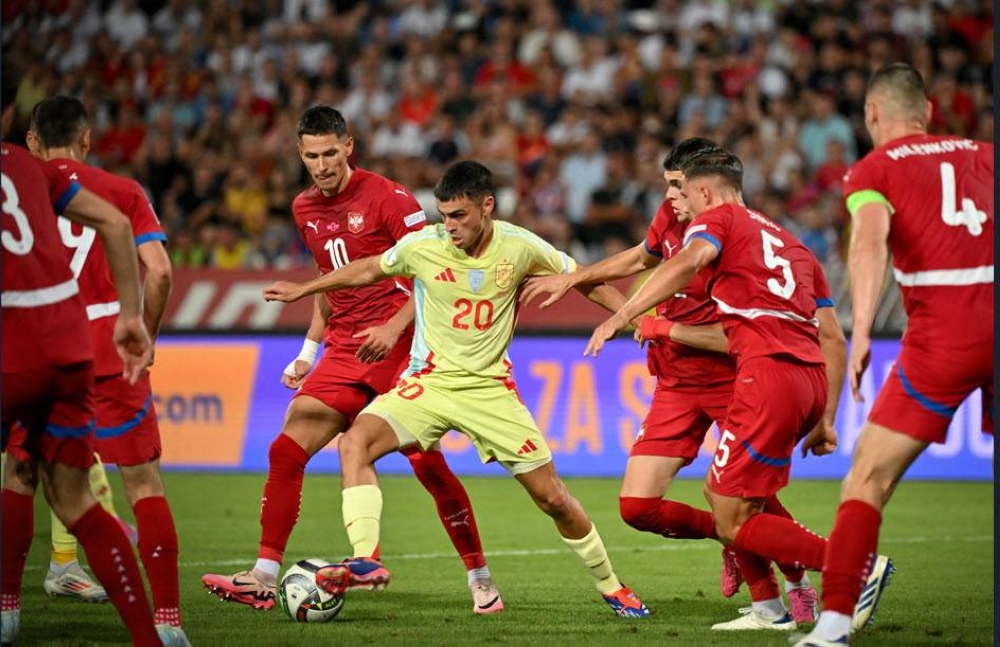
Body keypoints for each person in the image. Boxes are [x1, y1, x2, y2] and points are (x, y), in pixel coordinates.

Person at [262, 160, 651, 618]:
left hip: (490, 391)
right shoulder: (425, 243)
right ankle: (367, 558)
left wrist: (634, 319)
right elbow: (368, 269)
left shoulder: (520, 246)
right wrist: (306, 289)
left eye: (459, 216)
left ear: (487, 206)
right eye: (444, 215)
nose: (450, 226)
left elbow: (586, 279)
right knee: (356, 443)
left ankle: (612, 586)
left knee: (553, 498)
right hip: (429, 383)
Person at [520, 137, 833, 625]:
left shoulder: (730, 234)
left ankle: (781, 593)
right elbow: (638, 259)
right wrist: (574, 277)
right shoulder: (672, 220)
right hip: (676, 381)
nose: (668, 196)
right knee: (637, 505)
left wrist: (654, 322)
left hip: (733, 379)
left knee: (740, 495)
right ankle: (731, 540)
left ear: (701, 187)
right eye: (666, 185)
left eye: (676, 186)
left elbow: (739, 334)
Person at [202, 105, 502, 615]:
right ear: (301, 155)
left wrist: (392, 327)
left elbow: (437, 272)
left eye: (329, 153)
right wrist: (307, 353)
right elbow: (330, 283)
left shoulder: (389, 198)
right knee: (286, 448)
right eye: (311, 156)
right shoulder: (303, 208)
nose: (321, 165)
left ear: (348, 147)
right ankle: (263, 576)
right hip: (344, 349)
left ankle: (480, 577)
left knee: (428, 466)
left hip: (402, 346)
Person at [797, 63, 993, 647]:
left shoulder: (873, 169)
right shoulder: (987, 152)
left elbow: (868, 242)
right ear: (929, 111)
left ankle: (832, 626)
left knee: (866, 478)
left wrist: (859, 333)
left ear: (872, 115)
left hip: (944, 335)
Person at [20, 95, 189, 646]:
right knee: (142, 481)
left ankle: (5, 611)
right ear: (88, 140)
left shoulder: (18, 192)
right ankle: (166, 625)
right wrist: (146, 334)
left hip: (41, 343)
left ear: (32, 143)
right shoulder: (122, 191)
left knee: (21, 475)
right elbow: (159, 272)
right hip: (112, 350)